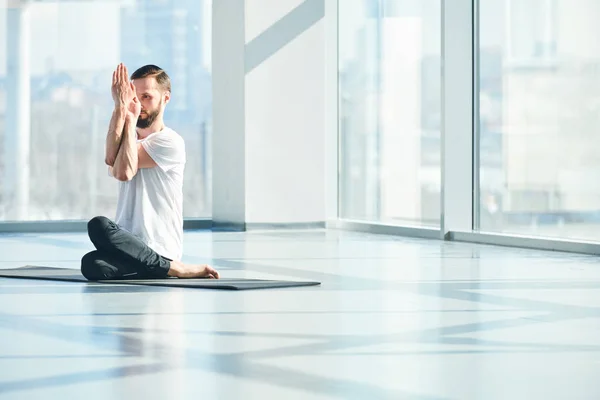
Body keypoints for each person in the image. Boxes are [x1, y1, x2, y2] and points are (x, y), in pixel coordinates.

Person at [80, 63, 219, 280]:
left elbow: (124, 171)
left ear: (165, 98)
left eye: (146, 97)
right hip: (128, 245)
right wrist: (119, 107)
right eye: (133, 97)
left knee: (98, 226)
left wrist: (128, 119)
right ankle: (160, 268)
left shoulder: (170, 141)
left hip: (159, 246)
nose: (139, 104)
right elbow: (110, 158)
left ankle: (174, 267)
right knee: (91, 265)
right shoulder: (129, 138)